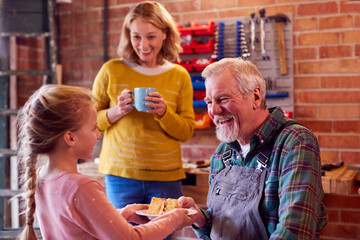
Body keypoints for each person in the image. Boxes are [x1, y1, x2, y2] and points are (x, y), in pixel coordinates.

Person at [16, 84, 195, 240]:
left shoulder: (42, 177)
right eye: (93, 127)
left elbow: (77, 224)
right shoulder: (81, 187)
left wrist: (125, 213)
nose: (98, 134)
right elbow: (132, 237)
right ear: (70, 138)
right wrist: (175, 218)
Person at [178, 58, 328, 239]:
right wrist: (200, 218)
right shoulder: (222, 154)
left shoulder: (295, 142)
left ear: (256, 97)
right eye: (209, 101)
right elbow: (222, 225)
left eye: (223, 99)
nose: (214, 111)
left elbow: (294, 231)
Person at [92, 1, 195, 210]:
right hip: (120, 176)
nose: (143, 45)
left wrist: (164, 112)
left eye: (151, 36)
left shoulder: (179, 75)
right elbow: (89, 122)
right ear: (128, 35)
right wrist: (117, 111)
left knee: (162, 233)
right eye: (136, 36)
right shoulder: (111, 70)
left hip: (165, 178)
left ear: (165, 34)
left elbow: (186, 132)